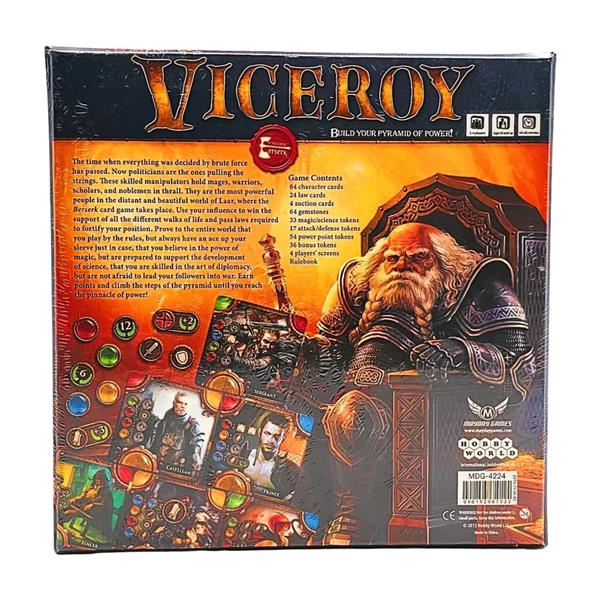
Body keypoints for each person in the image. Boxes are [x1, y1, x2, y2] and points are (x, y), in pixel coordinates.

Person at [307, 222, 536, 544]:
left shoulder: (484, 289)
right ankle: (349, 513)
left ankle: (356, 515)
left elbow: (520, 363)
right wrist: (307, 353)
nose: (402, 266)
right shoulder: (355, 284)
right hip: (362, 401)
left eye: (418, 257)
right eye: (393, 258)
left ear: (442, 260)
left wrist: (460, 350)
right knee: (351, 414)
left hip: (452, 412)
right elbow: (329, 347)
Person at [244, 412, 300, 498]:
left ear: (282, 439)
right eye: (267, 433)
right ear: (259, 432)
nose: (270, 440)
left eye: (276, 437)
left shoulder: (292, 471)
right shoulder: (243, 456)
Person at [148, 392, 204, 471]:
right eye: (180, 402)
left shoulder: (192, 424)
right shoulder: (166, 419)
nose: (183, 406)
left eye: (186, 404)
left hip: (176, 467)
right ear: (174, 403)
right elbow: (156, 439)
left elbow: (196, 448)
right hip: (156, 463)